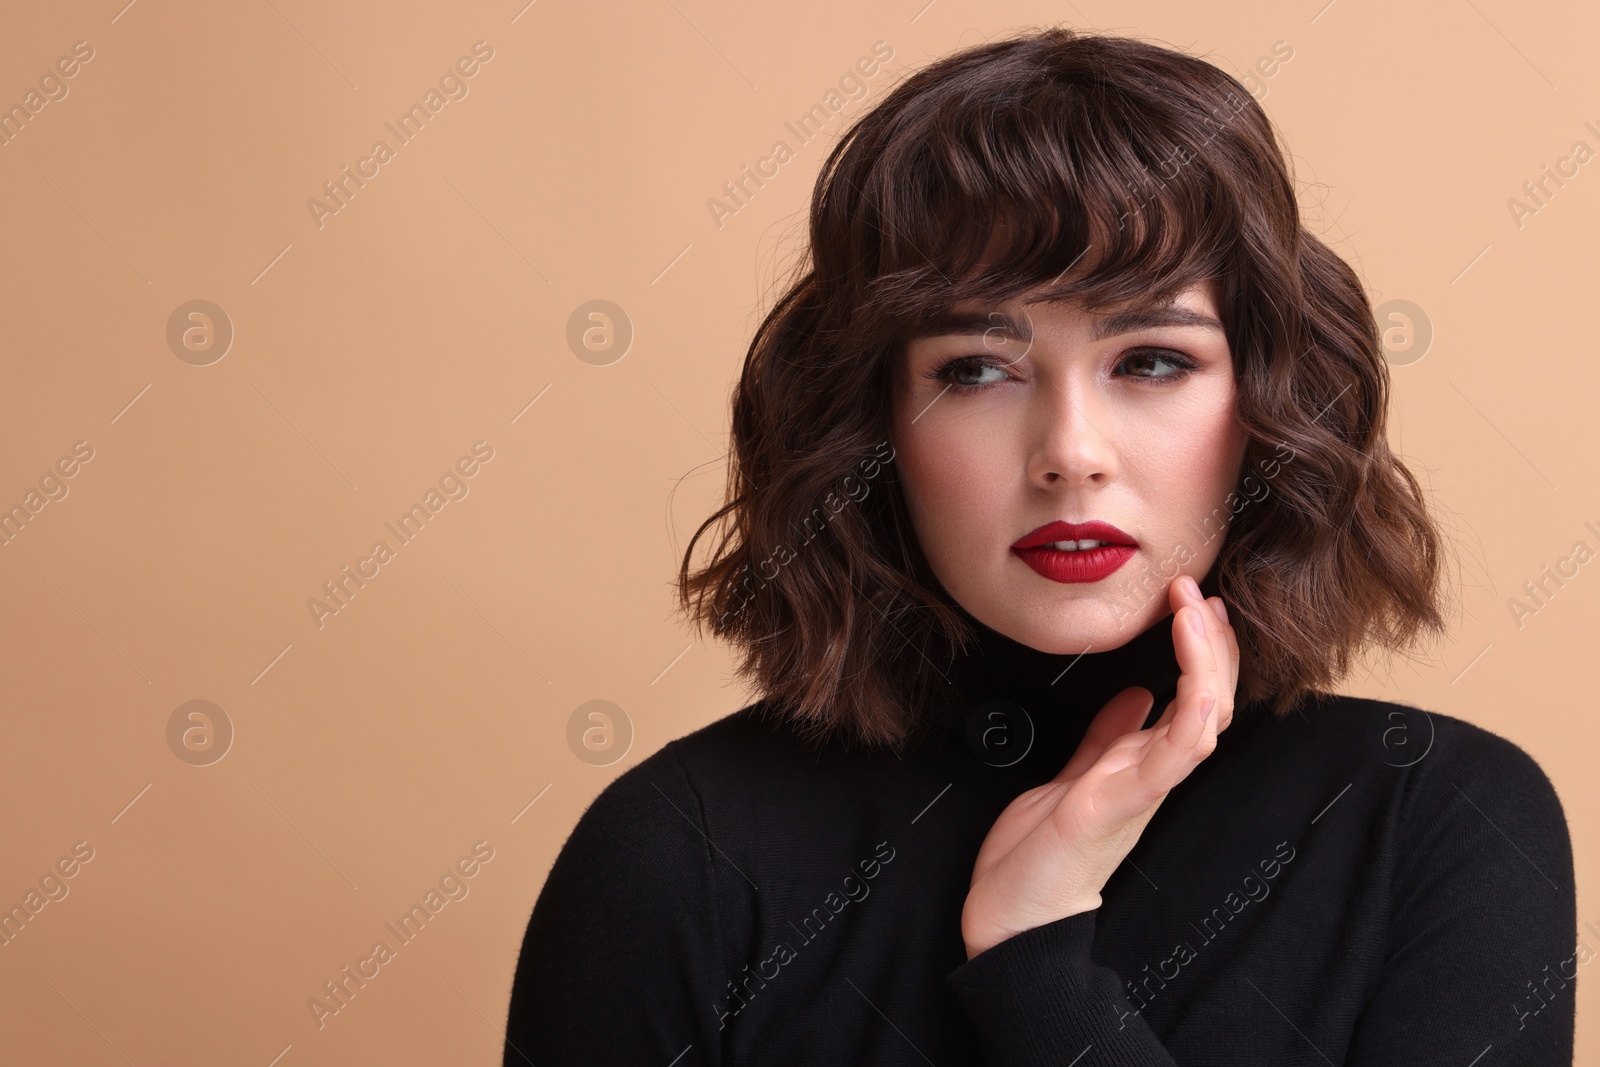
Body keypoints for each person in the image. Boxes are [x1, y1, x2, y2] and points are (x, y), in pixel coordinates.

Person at [503, 26, 1577, 1066]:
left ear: (1267, 402)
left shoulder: (1438, 822)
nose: (1069, 454)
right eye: (974, 368)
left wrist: (1035, 962)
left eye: (1152, 360)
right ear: (871, 423)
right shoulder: (677, 853)